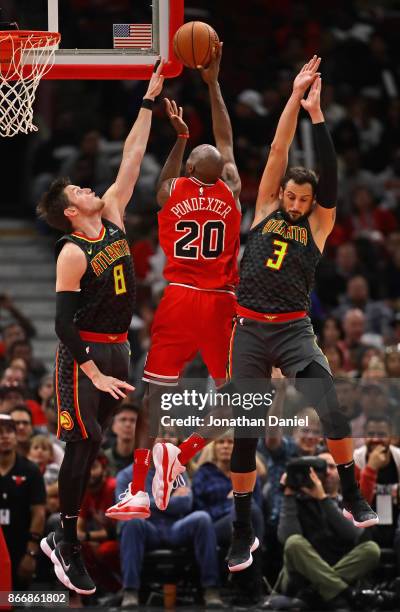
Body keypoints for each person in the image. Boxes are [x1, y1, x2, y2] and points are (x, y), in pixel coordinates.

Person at [224, 56, 377, 571]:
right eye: (290, 194)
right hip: (248, 329)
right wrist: (293, 98)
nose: (293, 201)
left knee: (329, 403)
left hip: (292, 329)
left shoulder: (317, 225)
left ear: (313, 204)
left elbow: (330, 177)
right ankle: (242, 531)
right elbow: (276, 149)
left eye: (303, 198)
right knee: (245, 433)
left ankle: (353, 495)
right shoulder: (265, 206)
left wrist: (318, 115)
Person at [36, 63, 165, 595]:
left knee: (91, 451)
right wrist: (91, 369)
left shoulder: (111, 213)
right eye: (80, 188)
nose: (92, 186)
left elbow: (133, 156)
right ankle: (66, 542)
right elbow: (62, 323)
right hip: (84, 359)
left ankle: (61, 539)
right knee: (80, 444)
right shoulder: (71, 252)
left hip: (118, 351)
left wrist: (149, 101)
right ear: (70, 211)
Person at [106, 43, 242, 521]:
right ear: (221, 174)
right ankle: (181, 455)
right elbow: (226, 139)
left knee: (154, 397)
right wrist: (213, 83)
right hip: (222, 303)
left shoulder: (171, 191)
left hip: (179, 299)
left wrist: (179, 138)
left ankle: (140, 488)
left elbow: (164, 182)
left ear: (187, 170)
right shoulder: (232, 189)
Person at [277, 456, 380, 610]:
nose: (327, 472)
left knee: (372, 549)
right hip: (300, 576)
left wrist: (323, 500)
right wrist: (288, 494)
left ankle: (315, 593)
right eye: (321, 468)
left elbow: (353, 534)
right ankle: (345, 593)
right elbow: (286, 538)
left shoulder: (350, 502)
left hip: (334, 567)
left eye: (332, 467)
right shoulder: (296, 501)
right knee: (294, 542)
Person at [0, 414, 46, 589]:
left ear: (15, 436)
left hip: (20, 542)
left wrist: (31, 553)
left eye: (9, 431)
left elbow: (39, 513)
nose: (4, 436)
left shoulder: (30, 470)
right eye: (0, 432)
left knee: (16, 599)